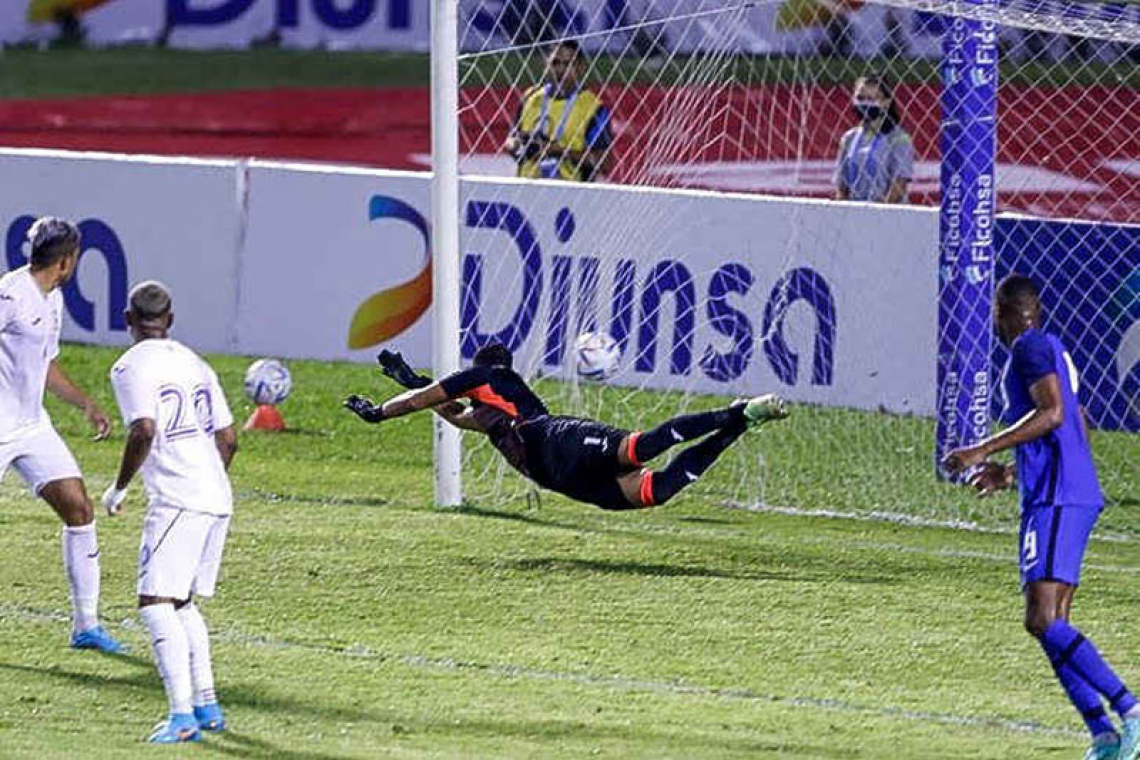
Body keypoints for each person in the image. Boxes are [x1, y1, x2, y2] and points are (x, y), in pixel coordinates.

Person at [944, 275, 1140, 760]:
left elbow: (1053, 415)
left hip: (1056, 498)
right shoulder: (1054, 349)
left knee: (1041, 619)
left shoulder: (1027, 348)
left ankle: (1129, 712)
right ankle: (1105, 738)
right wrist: (1010, 474)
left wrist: (979, 449)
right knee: (1052, 621)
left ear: (1003, 312)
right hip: (1066, 491)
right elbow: (1079, 422)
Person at [343, 345, 787, 511]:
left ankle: (736, 414)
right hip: (556, 476)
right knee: (661, 490)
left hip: (556, 439)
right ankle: (741, 422)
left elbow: (434, 399)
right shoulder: (492, 418)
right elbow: (455, 414)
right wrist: (415, 386)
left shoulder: (490, 378)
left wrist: (383, 411)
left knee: (641, 449)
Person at [103, 281, 238, 744]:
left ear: (127, 320)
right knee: (181, 602)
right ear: (171, 319)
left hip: (180, 499)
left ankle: (181, 717)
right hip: (216, 496)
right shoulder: (193, 361)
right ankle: (207, 706)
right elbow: (229, 438)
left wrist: (120, 487)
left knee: (155, 604)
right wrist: (206, 480)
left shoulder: (128, 368)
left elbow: (143, 428)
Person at [0, 216, 122, 653]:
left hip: (31, 426)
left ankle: (86, 626)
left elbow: (44, 363)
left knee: (79, 508)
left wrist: (85, 403)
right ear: (67, 261)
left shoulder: (51, 299)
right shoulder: (10, 294)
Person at [503, 39, 614, 182]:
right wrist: (518, 146)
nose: (561, 70)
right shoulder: (530, 97)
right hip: (526, 189)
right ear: (546, 64)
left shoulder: (593, 108)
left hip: (571, 193)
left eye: (568, 64)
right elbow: (510, 139)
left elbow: (604, 163)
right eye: (555, 63)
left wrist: (558, 151)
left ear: (580, 68)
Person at [833, 76, 913, 203]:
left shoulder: (898, 138)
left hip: (888, 215)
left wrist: (878, 214)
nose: (865, 103)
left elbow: (899, 183)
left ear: (886, 103)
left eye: (871, 99)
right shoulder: (849, 138)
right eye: (860, 98)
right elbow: (842, 185)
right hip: (854, 213)